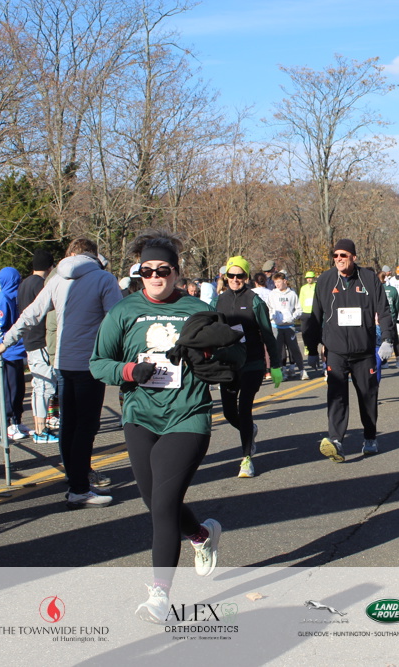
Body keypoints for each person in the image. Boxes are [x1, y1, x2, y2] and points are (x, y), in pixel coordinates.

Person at [90, 231, 242, 624]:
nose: (155, 277)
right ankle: (201, 535)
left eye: (163, 270)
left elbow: (232, 347)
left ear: (176, 272)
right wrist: (129, 370)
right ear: (139, 273)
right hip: (140, 416)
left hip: (187, 415)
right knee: (155, 500)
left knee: (162, 504)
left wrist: (211, 353)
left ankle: (160, 594)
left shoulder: (196, 309)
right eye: (147, 271)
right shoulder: (123, 312)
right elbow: (98, 362)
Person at [0, 238, 122, 507]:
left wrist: (5, 342)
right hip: (90, 361)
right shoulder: (104, 279)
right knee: (86, 426)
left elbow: (31, 313)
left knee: (69, 424)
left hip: (63, 360)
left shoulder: (57, 278)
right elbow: (117, 320)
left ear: (70, 254)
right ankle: (79, 486)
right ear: (94, 255)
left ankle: (75, 481)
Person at [310, 239, 394, 460]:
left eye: (343, 255)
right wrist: (312, 348)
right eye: (335, 255)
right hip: (335, 351)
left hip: (363, 351)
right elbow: (315, 315)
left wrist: (388, 339)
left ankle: (370, 437)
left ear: (353, 257)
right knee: (336, 396)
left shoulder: (368, 279)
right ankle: (336, 441)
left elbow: (384, 310)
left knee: (368, 396)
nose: (339, 259)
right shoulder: (325, 280)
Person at [216, 257, 282, 479]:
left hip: (252, 362)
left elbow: (267, 334)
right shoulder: (219, 301)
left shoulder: (254, 301)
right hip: (228, 364)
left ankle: (246, 458)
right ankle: (250, 430)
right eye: (231, 275)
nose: (235, 279)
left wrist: (275, 365)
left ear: (246, 277)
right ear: (226, 277)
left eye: (240, 276)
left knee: (244, 408)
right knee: (229, 412)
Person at [18, 250, 59, 444]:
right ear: (50, 267)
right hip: (40, 340)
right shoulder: (41, 285)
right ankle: (41, 431)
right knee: (45, 386)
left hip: (29, 339)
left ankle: (39, 428)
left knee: (38, 386)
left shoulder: (24, 284)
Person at [0, 267, 29, 442]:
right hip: (9, 353)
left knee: (19, 389)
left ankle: (17, 420)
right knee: (10, 390)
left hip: (18, 351)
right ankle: (8, 424)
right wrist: (5, 345)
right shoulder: (3, 299)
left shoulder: (16, 297)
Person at [268, 272, 307, 379]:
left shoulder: (292, 294)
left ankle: (302, 370)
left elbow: (299, 309)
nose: (277, 284)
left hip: (289, 326)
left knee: (294, 349)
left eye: (279, 282)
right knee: (278, 350)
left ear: (285, 281)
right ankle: (282, 371)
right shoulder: (272, 294)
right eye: (275, 282)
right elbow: (269, 308)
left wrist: (292, 317)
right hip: (276, 326)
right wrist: (272, 316)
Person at [378, 271, 399, 369]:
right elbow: (396, 305)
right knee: (395, 339)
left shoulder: (377, 289)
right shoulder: (393, 290)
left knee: (382, 339)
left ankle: (384, 361)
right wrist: (394, 316)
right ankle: (398, 360)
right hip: (391, 317)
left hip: (380, 318)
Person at [298, 270, 321, 375]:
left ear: (313, 278)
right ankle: (307, 347)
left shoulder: (317, 286)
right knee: (305, 331)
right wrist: (300, 312)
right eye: (307, 278)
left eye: (310, 278)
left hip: (315, 312)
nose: (309, 279)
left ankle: (314, 349)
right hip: (305, 312)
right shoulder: (303, 288)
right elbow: (301, 299)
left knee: (315, 332)